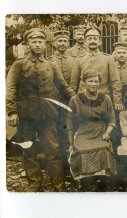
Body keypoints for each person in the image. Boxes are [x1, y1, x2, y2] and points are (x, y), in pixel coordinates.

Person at [6, 28, 75, 192]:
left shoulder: (51, 65)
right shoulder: (19, 64)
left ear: (45, 45)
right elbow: (10, 89)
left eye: (40, 42)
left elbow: (65, 87)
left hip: (47, 114)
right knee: (28, 149)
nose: (37, 45)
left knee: (53, 150)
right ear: (28, 44)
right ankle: (35, 184)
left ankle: (58, 185)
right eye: (34, 42)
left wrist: (80, 101)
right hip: (26, 114)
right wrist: (11, 111)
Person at [67, 69, 116, 191]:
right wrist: (70, 143)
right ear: (84, 82)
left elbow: (112, 120)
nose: (93, 84)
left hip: (100, 131)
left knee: (104, 149)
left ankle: (102, 184)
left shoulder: (105, 98)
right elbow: (69, 121)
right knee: (83, 150)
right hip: (84, 132)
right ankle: (86, 184)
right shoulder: (75, 99)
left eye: (96, 81)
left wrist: (107, 133)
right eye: (90, 81)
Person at [70, 26, 123, 111]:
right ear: (85, 41)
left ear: (100, 41)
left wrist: (117, 101)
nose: (92, 41)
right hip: (83, 100)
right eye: (89, 38)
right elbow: (73, 84)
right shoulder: (79, 60)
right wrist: (73, 102)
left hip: (102, 100)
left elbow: (116, 82)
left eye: (95, 38)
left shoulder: (108, 59)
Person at [47, 30, 75, 175]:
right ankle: (59, 166)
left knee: (70, 129)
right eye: (60, 41)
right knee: (57, 132)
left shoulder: (74, 60)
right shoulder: (49, 61)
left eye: (65, 41)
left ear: (68, 43)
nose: (62, 43)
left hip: (71, 101)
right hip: (55, 102)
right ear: (54, 43)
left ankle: (71, 163)